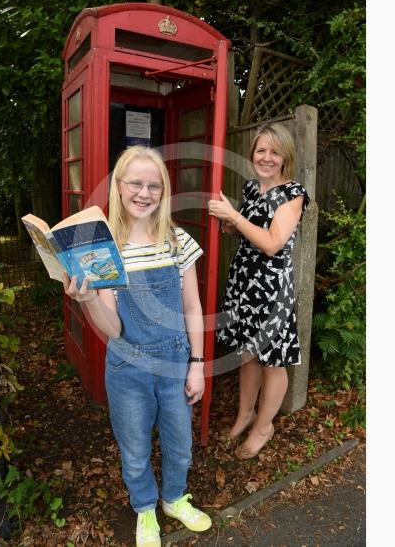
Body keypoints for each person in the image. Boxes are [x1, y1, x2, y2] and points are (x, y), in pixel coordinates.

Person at [64, 146, 211, 547]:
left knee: (180, 441)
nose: (144, 193)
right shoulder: (103, 248)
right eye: (136, 183)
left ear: (163, 191)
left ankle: (175, 499)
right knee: (134, 447)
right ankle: (145, 508)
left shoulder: (178, 241)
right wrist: (89, 298)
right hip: (127, 366)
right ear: (119, 186)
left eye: (154, 185)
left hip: (175, 360)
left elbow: (193, 306)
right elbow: (113, 327)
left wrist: (197, 363)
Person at [207, 123, 309, 460]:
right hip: (245, 282)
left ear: (285, 157)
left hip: (272, 289)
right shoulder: (252, 188)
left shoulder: (293, 194)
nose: (266, 157)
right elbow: (249, 232)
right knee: (247, 354)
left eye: (274, 151)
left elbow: (272, 243)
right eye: (260, 150)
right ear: (252, 154)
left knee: (272, 361)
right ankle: (244, 415)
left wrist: (233, 217)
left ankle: (264, 425)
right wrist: (230, 225)